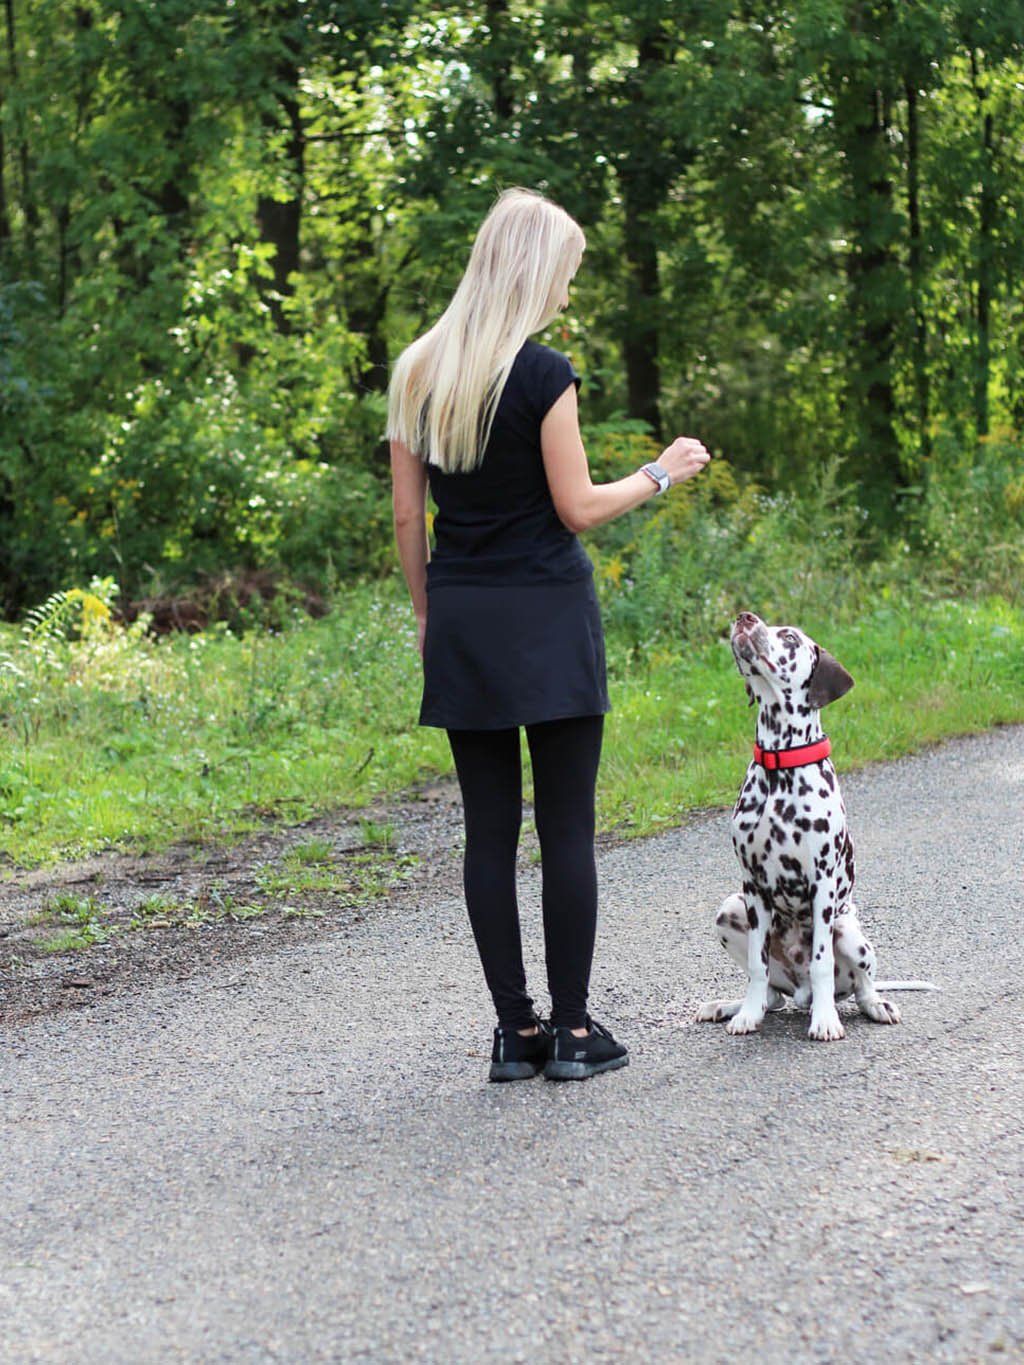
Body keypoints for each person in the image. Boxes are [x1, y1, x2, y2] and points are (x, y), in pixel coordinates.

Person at [387, 188, 709, 1083]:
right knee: (567, 827)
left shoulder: (418, 371)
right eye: (564, 276)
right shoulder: (543, 373)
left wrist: (425, 611)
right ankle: (571, 1032)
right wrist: (661, 470)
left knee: (487, 831)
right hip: (549, 619)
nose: (566, 295)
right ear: (533, 273)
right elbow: (577, 507)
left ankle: (513, 1032)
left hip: (463, 618)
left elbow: (409, 520)